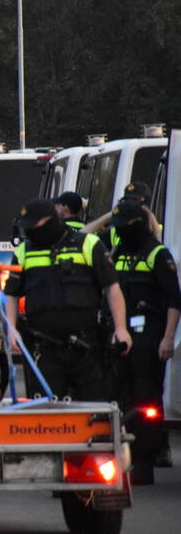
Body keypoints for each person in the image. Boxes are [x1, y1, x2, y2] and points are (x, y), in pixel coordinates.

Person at [3, 198, 132, 402]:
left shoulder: (88, 244)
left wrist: (121, 328)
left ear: (51, 220)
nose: (30, 231)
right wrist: (11, 329)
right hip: (44, 349)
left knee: (95, 411)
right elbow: (11, 294)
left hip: (87, 346)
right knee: (46, 417)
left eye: (34, 226)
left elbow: (112, 288)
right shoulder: (24, 251)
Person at [107, 198, 181, 483]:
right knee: (120, 398)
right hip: (120, 335)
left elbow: (174, 300)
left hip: (150, 337)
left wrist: (167, 338)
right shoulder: (119, 252)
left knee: (146, 399)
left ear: (136, 226)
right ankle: (122, 458)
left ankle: (144, 462)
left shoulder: (157, 254)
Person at [83, 180, 162, 244]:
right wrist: (112, 214)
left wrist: (149, 216)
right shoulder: (116, 230)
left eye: (135, 202)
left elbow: (160, 249)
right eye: (127, 201)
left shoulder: (159, 229)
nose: (129, 206)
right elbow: (79, 236)